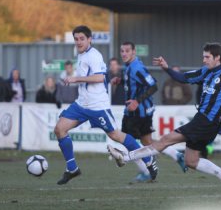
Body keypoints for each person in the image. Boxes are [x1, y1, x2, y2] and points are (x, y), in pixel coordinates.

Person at [108, 42, 221, 193]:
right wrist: (167, 68)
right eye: (203, 57)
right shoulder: (205, 72)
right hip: (203, 120)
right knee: (191, 161)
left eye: (207, 57)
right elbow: (183, 77)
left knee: (166, 139)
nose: (203, 60)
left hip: (208, 121)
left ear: (217, 58)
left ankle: (126, 157)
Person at [54, 25, 159, 185]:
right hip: (81, 104)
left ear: (89, 39)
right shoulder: (81, 53)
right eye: (76, 39)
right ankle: (72, 168)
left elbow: (99, 78)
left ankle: (148, 158)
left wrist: (76, 78)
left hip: (97, 106)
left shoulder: (94, 55)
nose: (79, 42)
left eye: (82, 39)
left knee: (116, 135)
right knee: (60, 129)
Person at [110, 41, 187, 183]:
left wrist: (136, 102)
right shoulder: (130, 67)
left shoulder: (137, 68)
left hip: (139, 112)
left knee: (129, 143)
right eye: (122, 51)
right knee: (147, 142)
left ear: (134, 52)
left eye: (127, 51)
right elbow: (135, 84)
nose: (124, 53)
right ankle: (177, 155)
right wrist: (120, 81)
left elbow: (153, 86)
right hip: (136, 112)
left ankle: (146, 171)